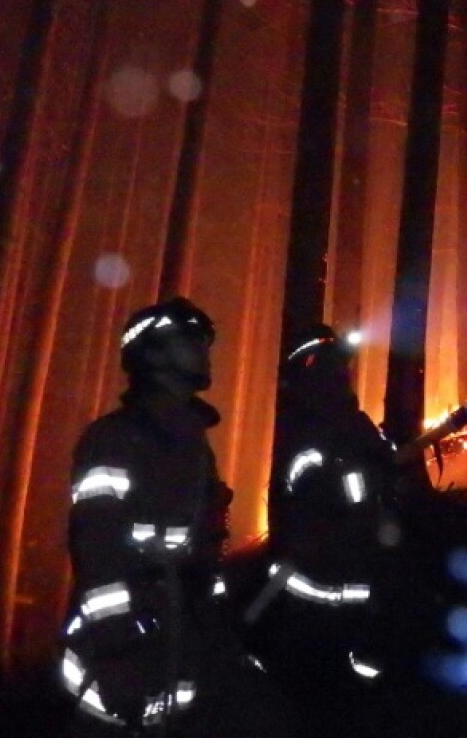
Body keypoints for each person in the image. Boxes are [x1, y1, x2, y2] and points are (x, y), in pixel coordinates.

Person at [59, 296, 295, 737]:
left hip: (184, 633)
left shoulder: (192, 442)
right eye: (189, 339)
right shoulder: (115, 439)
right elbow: (97, 545)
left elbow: (202, 544)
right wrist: (119, 644)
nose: (204, 349)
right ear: (151, 353)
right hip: (126, 650)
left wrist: (218, 621)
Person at [246, 323, 422, 735]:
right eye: (332, 368)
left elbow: (383, 473)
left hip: (359, 587)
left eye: (342, 368)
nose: (343, 376)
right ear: (313, 374)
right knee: (313, 693)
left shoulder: (355, 426)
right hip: (314, 596)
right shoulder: (308, 441)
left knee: (361, 690)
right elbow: (310, 515)